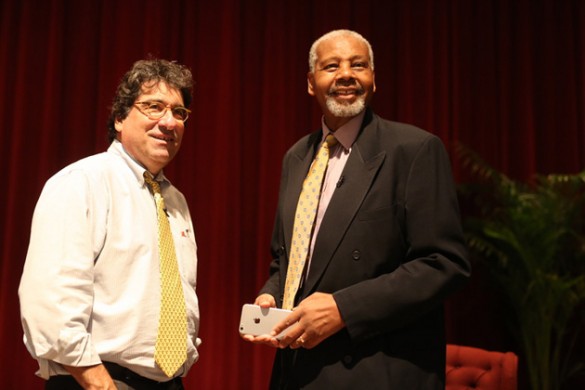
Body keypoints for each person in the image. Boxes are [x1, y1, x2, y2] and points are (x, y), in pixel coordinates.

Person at [242, 29, 471, 389]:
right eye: (331, 66)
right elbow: (285, 259)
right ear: (310, 83)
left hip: (376, 370)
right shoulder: (296, 157)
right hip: (297, 371)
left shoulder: (415, 149)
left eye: (358, 65)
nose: (346, 74)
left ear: (373, 80)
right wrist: (272, 293)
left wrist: (345, 309)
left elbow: (444, 264)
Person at [19, 58, 200, 390]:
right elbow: (51, 302)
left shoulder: (176, 202)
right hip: (97, 381)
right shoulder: (81, 182)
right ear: (120, 118)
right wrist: (99, 384)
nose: (169, 121)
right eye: (154, 107)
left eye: (179, 112)